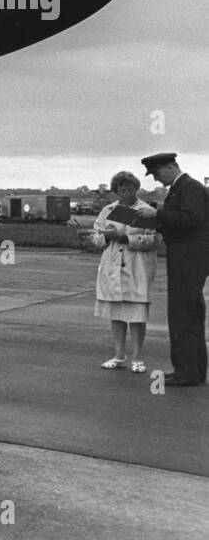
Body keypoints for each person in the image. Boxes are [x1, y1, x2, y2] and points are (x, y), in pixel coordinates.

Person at [135, 153, 209, 386]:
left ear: (170, 167)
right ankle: (192, 371)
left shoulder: (188, 187)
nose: (156, 179)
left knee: (182, 314)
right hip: (188, 254)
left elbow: (191, 218)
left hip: (189, 255)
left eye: (157, 173)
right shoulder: (182, 188)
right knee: (190, 314)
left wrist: (157, 214)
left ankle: (186, 373)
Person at [91, 171, 158, 373]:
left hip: (136, 265)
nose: (127, 193)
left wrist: (127, 239)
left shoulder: (146, 211)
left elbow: (154, 240)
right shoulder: (107, 210)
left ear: (137, 189)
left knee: (136, 313)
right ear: (116, 191)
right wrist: (105, 236)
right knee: (116, 313)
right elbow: (95, 237)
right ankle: (119, 355)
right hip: (112, 264)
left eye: (130, 189)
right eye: (122, 190)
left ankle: (138, 357)